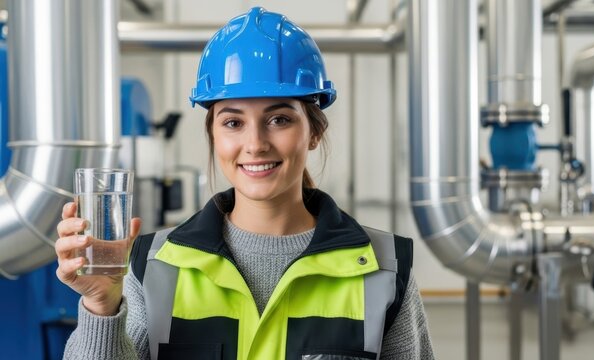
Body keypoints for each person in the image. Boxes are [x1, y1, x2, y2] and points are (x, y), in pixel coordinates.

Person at [56, 7, 434, 360]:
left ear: (314, 132)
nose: (255, 144)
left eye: (280, 119)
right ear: (214, 136)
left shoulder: (384, 269)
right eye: (233, 123)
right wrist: (101, 308)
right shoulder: (152, 266)